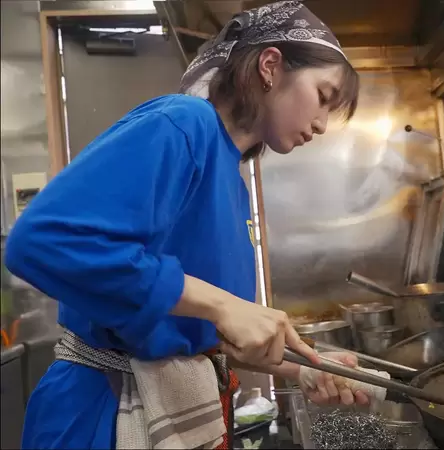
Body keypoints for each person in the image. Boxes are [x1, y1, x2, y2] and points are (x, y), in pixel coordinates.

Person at [3, 2, 368, 449]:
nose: (322, 124)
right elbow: (41, 239)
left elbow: (197, 332)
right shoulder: (184, 122)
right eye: (323, 97)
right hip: (100, 416)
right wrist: (220, 304)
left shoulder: (234, 185)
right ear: (271, 66)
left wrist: (304, 367)